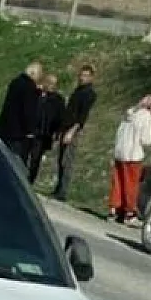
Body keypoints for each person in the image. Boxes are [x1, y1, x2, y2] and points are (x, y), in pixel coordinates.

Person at [110, 95, 151, 225]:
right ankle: (130, 213)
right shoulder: (146, 118)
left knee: (118, 182)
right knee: (132, 184)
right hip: (133, 154)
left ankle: (114, 210)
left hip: (120, 151)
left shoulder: (130, 113)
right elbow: (145, 140)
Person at [52, 64, 97, 202]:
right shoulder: (78, 90)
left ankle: (63, 191)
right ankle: (58, 187)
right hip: (66, 127)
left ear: (91, 77)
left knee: (67, 160)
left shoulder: (89, 94)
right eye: (81, 75)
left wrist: (72, 131)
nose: (82, 78)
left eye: (85, 76)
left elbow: (82, 117)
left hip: (73, 129)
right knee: (61, 159)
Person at [0, 61, 44, 167]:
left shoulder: (16, 82)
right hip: (17, 134)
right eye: (39, 76)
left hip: (5, 129)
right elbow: (28, 110)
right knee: (16, 165)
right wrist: (30, 130)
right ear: (33, 74)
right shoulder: (29, 87)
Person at [26, 74, 65, 185]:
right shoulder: (37, 95)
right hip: (31, 130)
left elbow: (60, 118)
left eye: (54, 84)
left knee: (35, 158)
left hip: (44, 134)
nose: (51, 86)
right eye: (49, 83)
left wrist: (57, 132)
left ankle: (30, 180)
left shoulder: (58, 100)